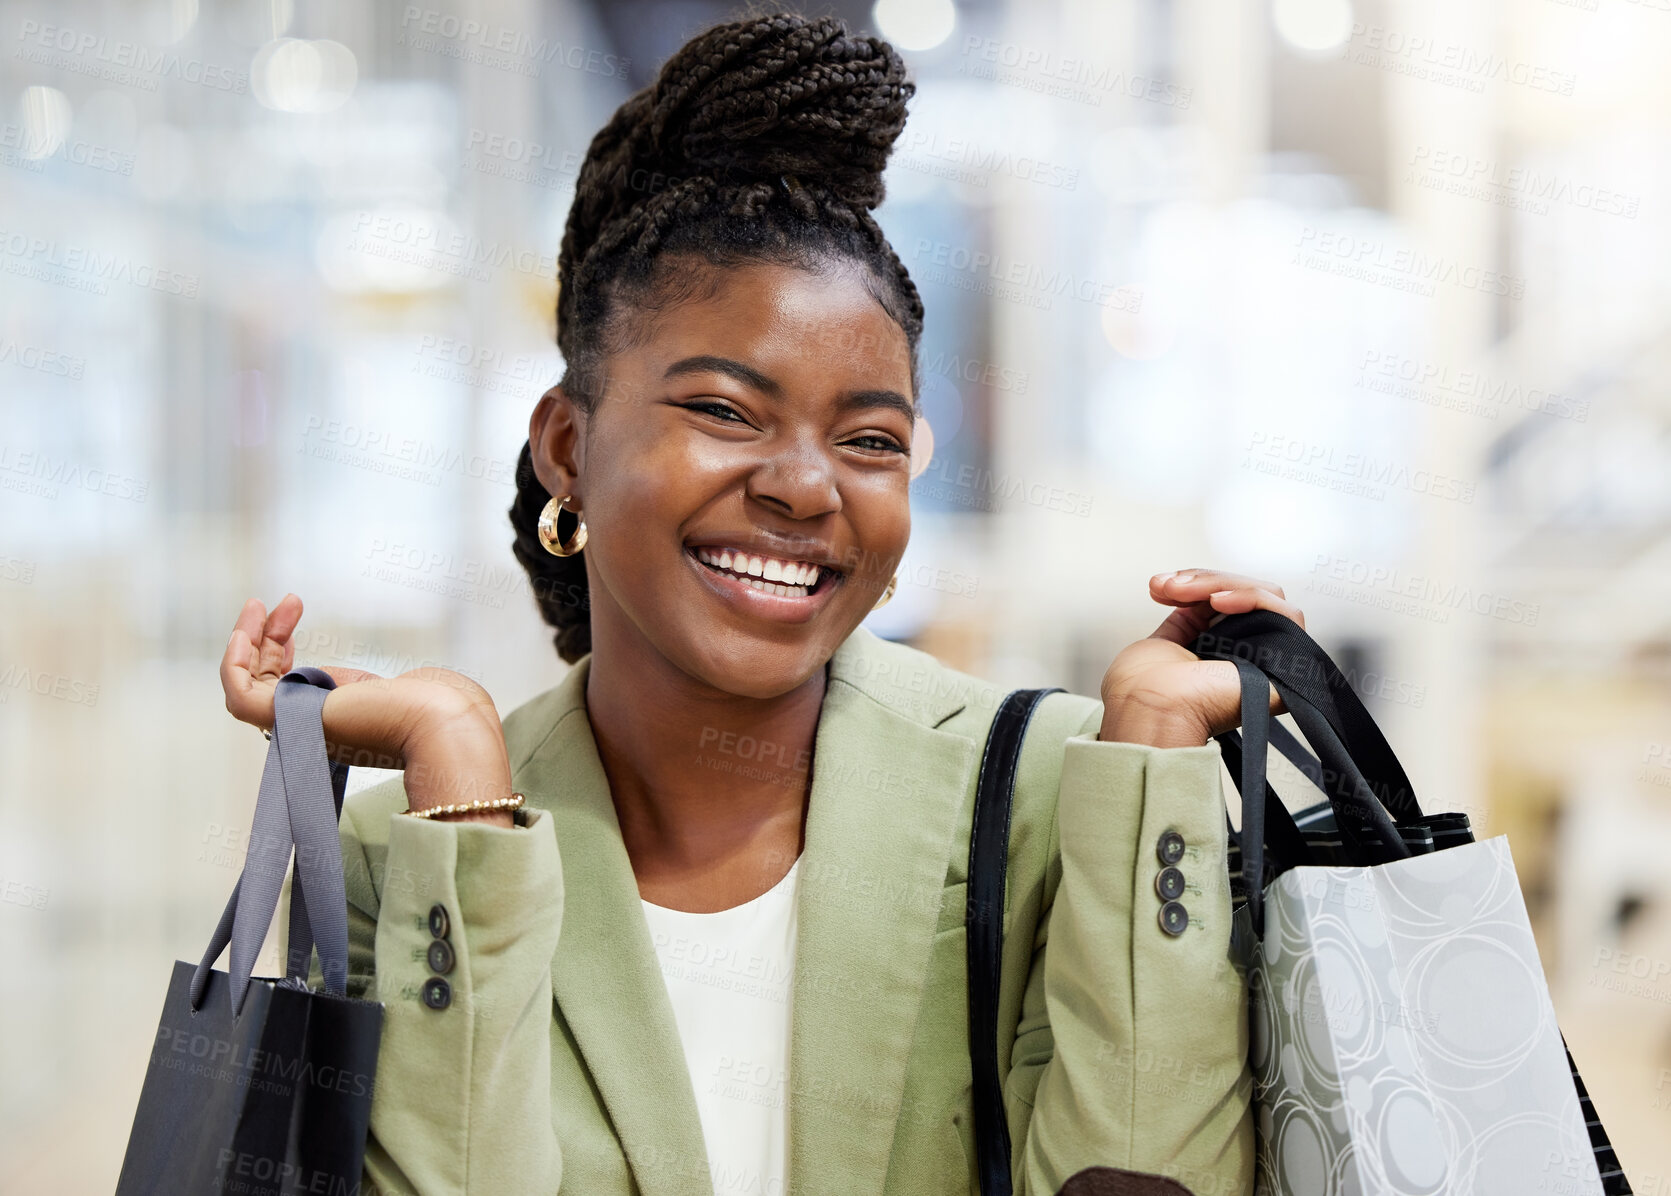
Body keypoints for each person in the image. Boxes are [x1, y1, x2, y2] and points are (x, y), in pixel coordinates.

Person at [218, 13, 1305, 1195]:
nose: (802, 484)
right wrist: (461, 759)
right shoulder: (412, 843)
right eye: (727, 411)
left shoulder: (1053, 787)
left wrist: (1152, 742)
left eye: (869, 437)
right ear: (569, 446)